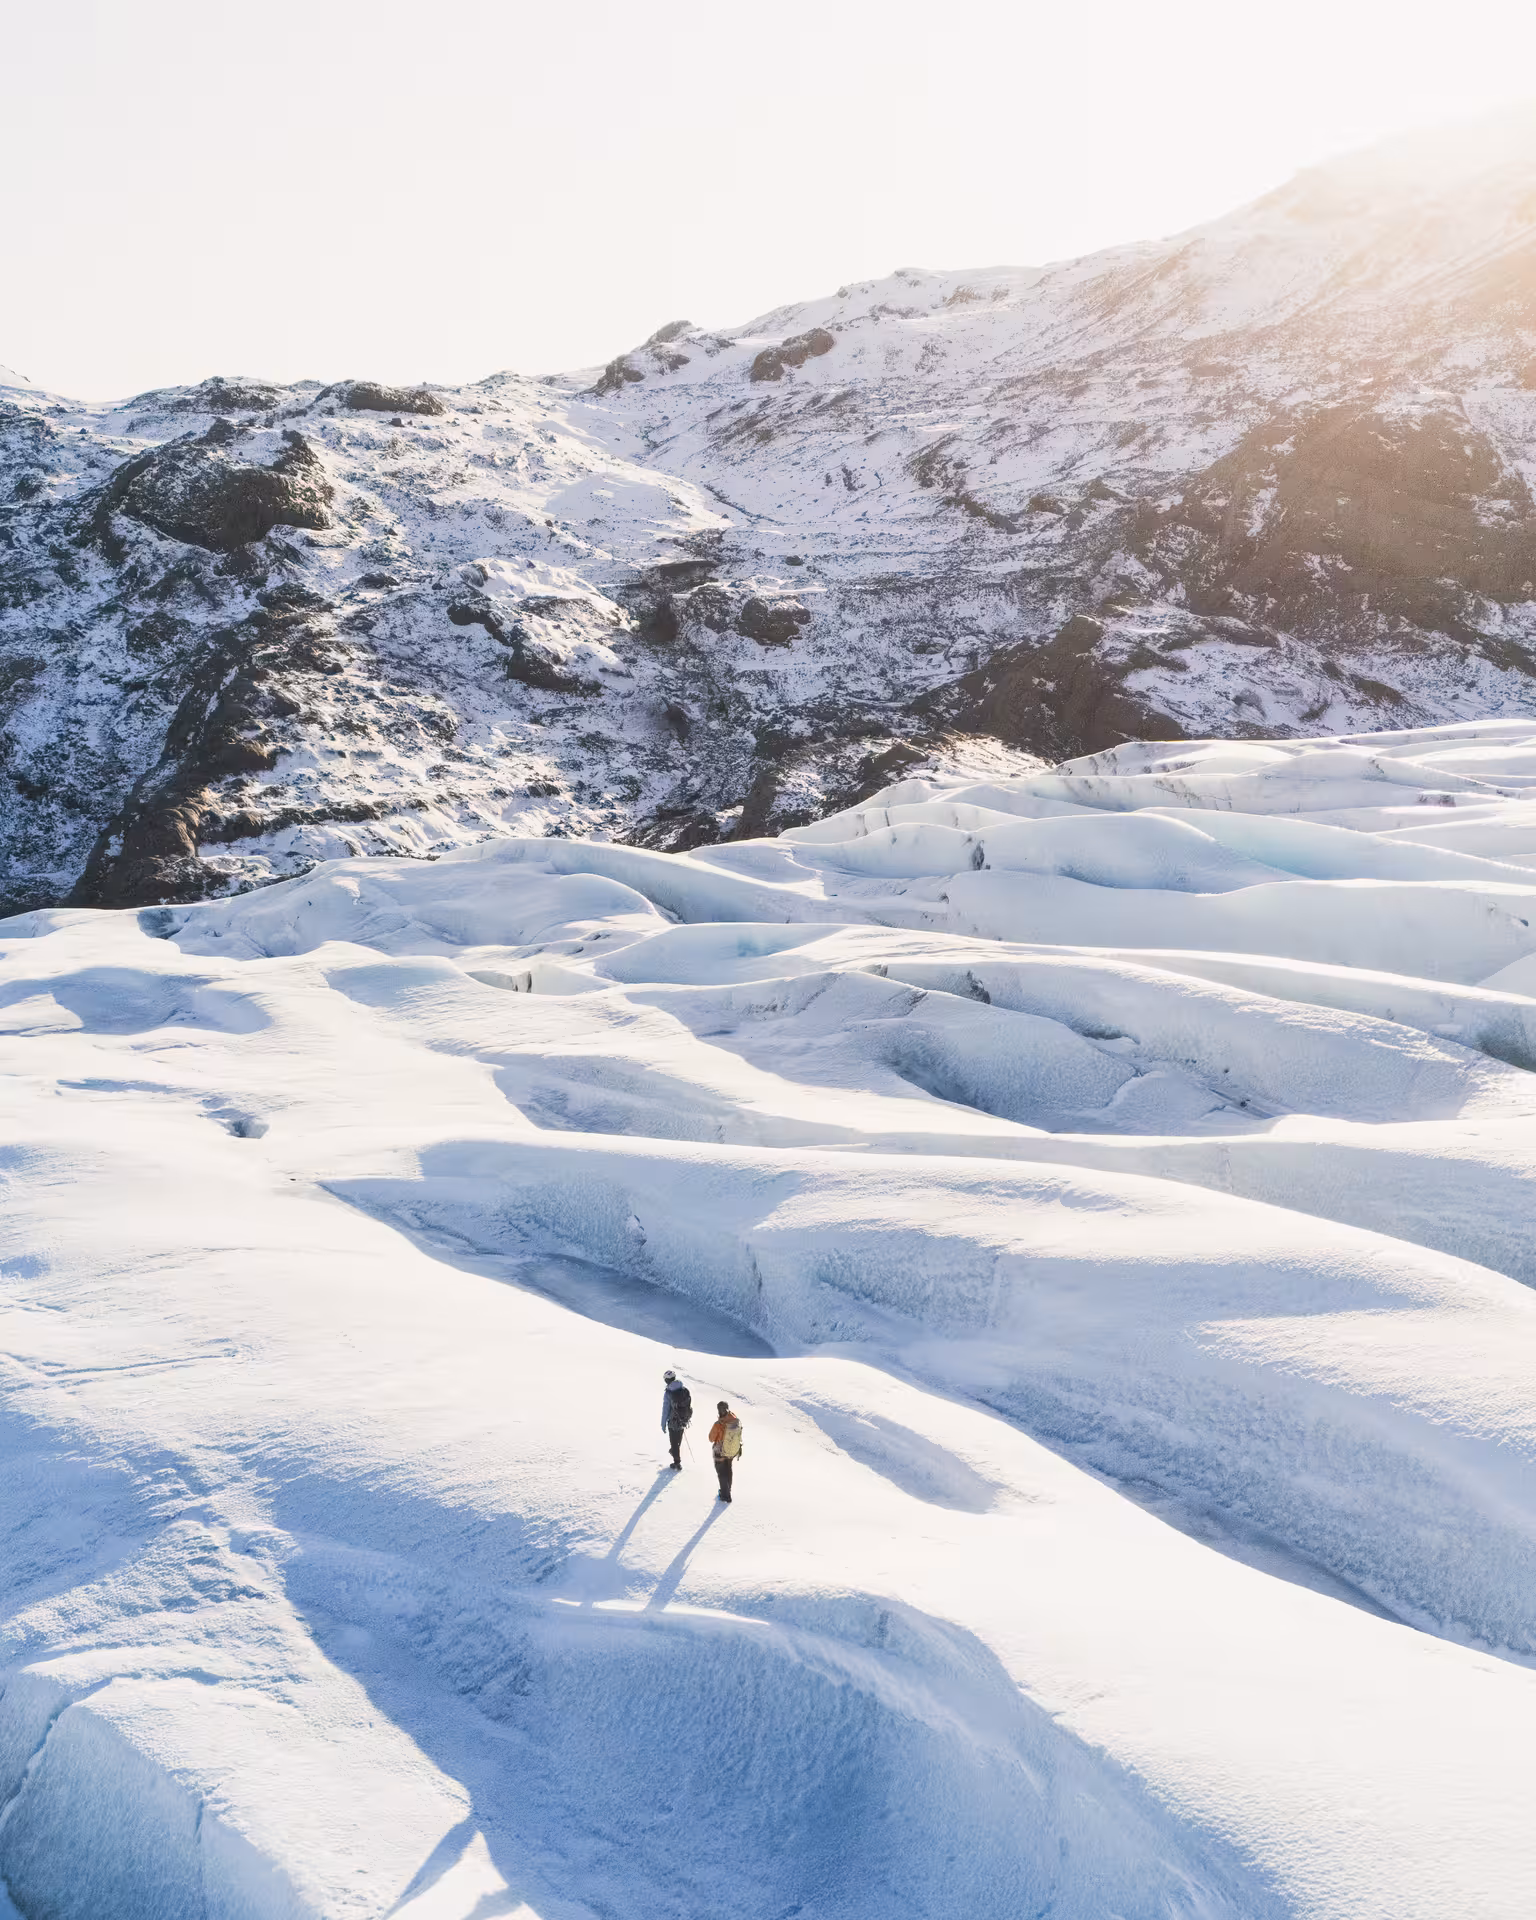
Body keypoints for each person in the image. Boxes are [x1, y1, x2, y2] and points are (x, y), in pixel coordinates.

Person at [708, 1399, 742, 1502]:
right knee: (728, 1469)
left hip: (720, 1451)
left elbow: (711, 1438)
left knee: (721, 1472)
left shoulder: (718, 1424)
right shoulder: (735, 1419)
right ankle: (728, 1489)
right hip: (732, 1450)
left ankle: (725, 1495)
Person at [660, 1369, 692, 1470]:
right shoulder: (685, 1390)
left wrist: (663, 1423)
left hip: (673, 1421)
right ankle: (675, 1452)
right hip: (683, 1419)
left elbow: (666, 1409)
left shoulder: (668, 1393)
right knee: (678, 1440)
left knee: (673, 1442)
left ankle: (677, 1463)